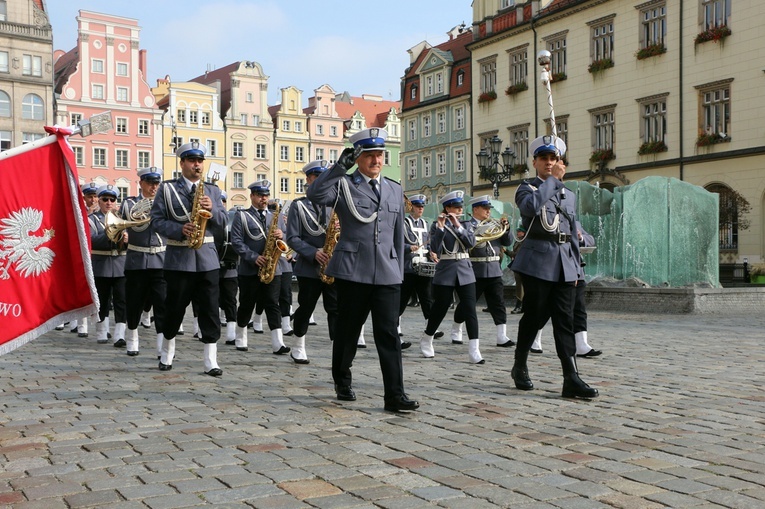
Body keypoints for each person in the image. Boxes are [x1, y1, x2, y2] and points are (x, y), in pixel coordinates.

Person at [307, 128, 418, 412]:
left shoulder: (394, 188)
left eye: (379, 155)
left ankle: (395, 394)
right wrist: (339, 166)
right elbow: (315, 194)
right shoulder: (344, 184)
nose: (376, 160)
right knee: (348, 330)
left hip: (386, 272)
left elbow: (395, 233)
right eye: (369, 155)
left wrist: (397, 269)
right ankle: (342, 378)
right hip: (353, 270)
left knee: (389, 335)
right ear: (359, 158)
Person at [510, 135, 598, 399]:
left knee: (564, 320)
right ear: (534, 161)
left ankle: (571, 377)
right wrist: (553, 181)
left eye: (554, 158)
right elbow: (531, 208)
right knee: (534, 316)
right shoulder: (527, 189)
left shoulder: (568, 195)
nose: (549, 163)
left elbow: (574, 231)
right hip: (537, 262)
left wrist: (577, 266)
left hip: (564, 264)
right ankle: (520, 364)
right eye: (544, 158)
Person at [150, 141, 226, 376]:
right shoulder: (167, 188)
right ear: (182, 163)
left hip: (207, 260)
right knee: (174, 308)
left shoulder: (212, 190)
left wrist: (212, 209)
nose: (197, 165)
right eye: (192, 160)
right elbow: (156, 221)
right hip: (179, 259)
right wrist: (178, 229)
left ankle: (210, 360)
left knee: (210, 309)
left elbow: (223, 223)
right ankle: (167, 352)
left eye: (200, 161)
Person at [419, 191, 484, 364]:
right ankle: (427, 337)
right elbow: (435, 249)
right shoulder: (436, 225)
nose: (459, 209)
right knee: (439, 308)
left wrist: (457, 225)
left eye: (460, 206)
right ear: (447, 208)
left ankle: (474, 349)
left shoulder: (466, 224)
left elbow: (470, 243)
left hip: (465, 270)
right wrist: (441, 228)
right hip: (446, 270)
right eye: (456, 207)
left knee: (470, 309)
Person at [286, 160, 339, 364]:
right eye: (316, 177)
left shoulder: (335, 204)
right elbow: (292, 238)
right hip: (309, 266)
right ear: (308, 179)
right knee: (306, 307)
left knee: (335, 308)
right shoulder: (298, 206)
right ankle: (298, 345)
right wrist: (312, 252)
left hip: (333, 265)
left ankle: (337, 347)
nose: (321, 181)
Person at [229, 180, 291, 355]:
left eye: (266, 195)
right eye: (260, 195)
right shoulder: (242, 216)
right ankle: (240, 336)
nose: (264, 199)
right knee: (247, 304)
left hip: (273, 267)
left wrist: (282, 234)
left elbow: (286, 237)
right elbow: (237, 242)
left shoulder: (274, 217)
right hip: (251, 269)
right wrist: (254, 257)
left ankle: (278, 342)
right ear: (252, 196)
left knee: (273, 304)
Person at [530, 222, 603, 358]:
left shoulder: (574, 221)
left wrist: (580, 238)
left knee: (579, 307)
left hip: (576, 269)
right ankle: (534, 336)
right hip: (557, 269)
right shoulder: (548, 221)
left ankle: (582, 344)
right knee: (548, 308)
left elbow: (590, 239)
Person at [120, 167, 167, 357]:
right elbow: (119, 225)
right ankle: (132, 339)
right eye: (149, 183)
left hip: (161, 261)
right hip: (137, 260)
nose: (153, 187)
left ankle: (162, 345)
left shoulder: (165, 204)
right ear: (141, 183)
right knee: (134, 303)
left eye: (156, 183)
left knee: (162, 304)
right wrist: (121, 236)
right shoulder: (129, 204)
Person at [464, 195, 515, 348]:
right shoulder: (467, 226)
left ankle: (501, 336)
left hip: (493, 269)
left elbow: (508, 242)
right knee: (468, 302)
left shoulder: (495, 224)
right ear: (475, 209)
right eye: (485, 208)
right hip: (475, 269)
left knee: (498, 303)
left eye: (488, 208)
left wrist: (506, 229)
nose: (488, 211)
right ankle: (457, 326)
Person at [88, 184, 127, 346]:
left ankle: (120, 334)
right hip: (101, 264)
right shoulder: (91, 219)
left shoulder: (122, 218)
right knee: (102, 300)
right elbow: (91, 239)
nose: (109, 202)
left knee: (121, 300)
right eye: (105, 199)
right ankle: (102, 331)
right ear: (99, 200)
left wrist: (126, 240)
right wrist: (110, 236)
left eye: (112, 199)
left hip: (120, 264)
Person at [398, 194, 435, 348]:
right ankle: (395, 328)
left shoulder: (426, 224)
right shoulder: (404, 223)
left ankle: (431, 326)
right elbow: (396, 243)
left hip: (423, 266)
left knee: (427, 298)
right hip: (408, 267)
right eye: (417, 206)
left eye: (422, 206)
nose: (421, 209)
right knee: (401, 300)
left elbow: (429, 244)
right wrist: (408, 247)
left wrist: (432, 253)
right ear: (410, 206)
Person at [217, 193, 240, 348]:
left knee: (231, 299)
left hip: (230, 267)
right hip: (211, 265)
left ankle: (231, 333)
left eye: (223, 201)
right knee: (210, 299)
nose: (221, 203)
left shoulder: (232, 218)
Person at [509, 226, 526, 315]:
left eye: (520, 232)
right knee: (520, 287)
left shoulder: (523, 242)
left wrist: (506, 251)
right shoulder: (518, 241)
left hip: (522, 267)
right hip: (518, 266)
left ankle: (519, 306)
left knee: (520, 287)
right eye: (518, 231)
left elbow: (517, 254)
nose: (518, 233)